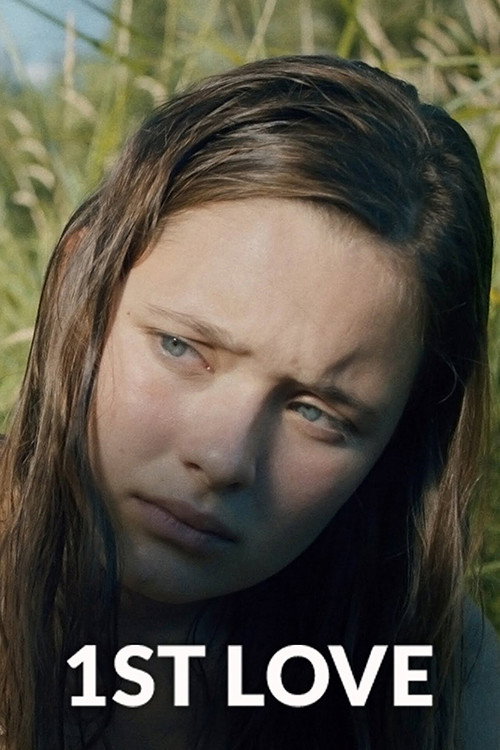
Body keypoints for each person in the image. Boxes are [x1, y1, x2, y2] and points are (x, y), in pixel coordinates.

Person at [0, 54, 498, 750]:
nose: (223, 458)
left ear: (399, 439)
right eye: (181, 347)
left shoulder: (428, 669)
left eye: (317, 413)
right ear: (81, 287)